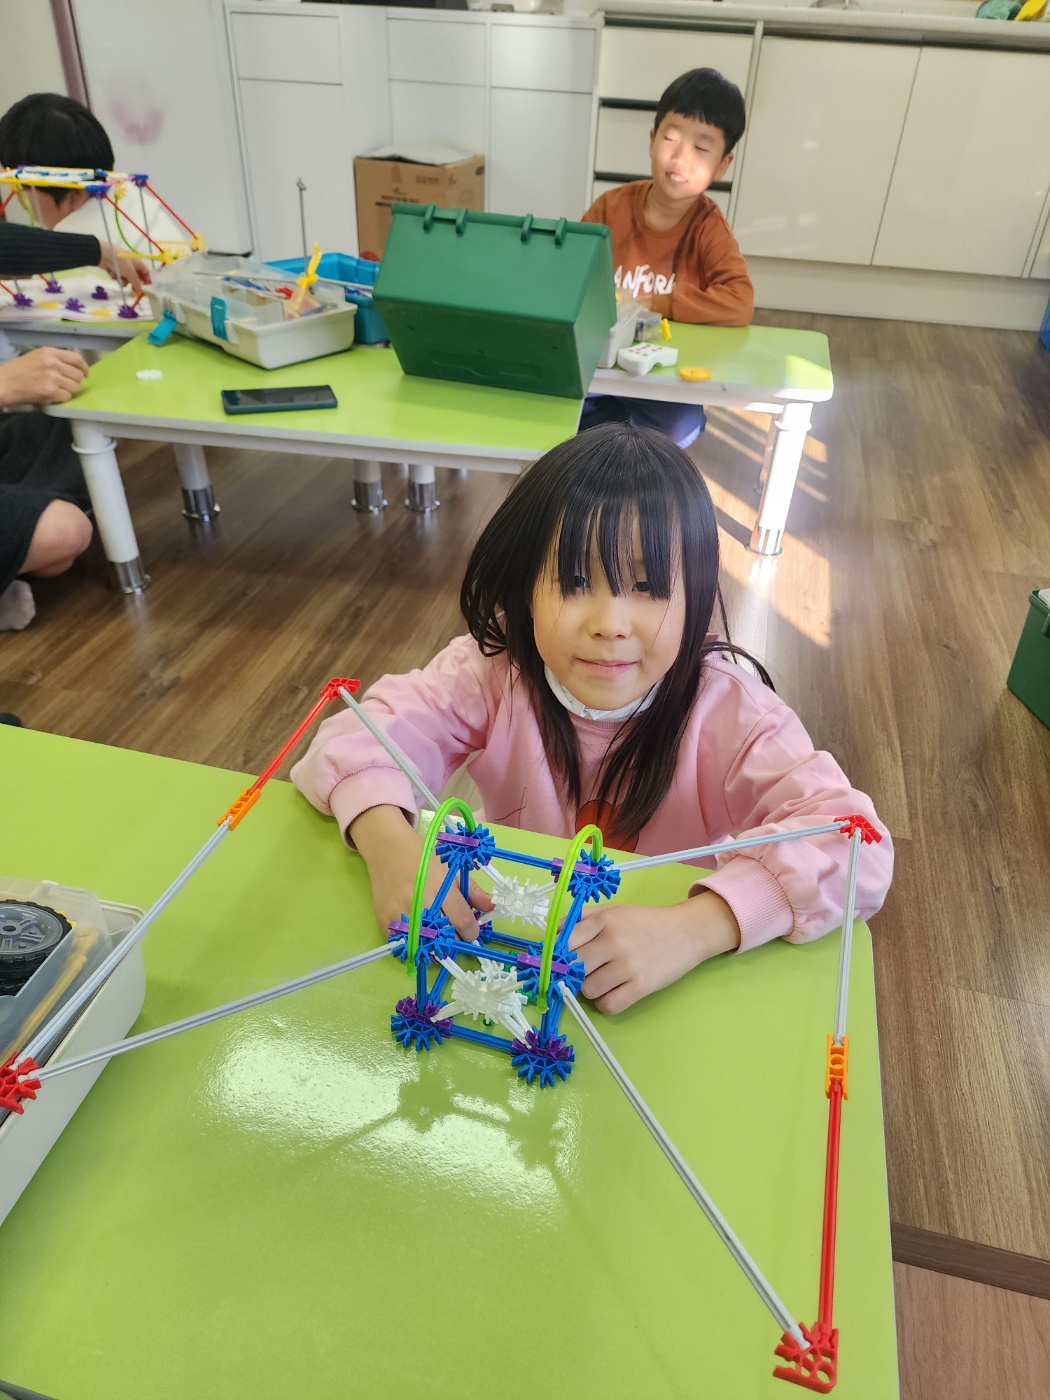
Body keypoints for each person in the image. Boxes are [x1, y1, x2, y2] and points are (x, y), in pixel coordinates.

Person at [292, 424, 893, 1014]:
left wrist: (698, 927)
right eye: (575, 580)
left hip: (657, 978)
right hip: (512, 950)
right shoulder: (495, 667)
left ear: (697, 599)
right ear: (526, 589)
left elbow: (856, 843)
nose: (609, 624)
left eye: (649, 586)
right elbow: (357, 733)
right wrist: (392, 847)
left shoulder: (732, 712)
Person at [580, 68, 754, 449]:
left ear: (723, 165)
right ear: (652, 140)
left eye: (701, 149)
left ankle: (619, 447)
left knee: (682, 426)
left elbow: (739, 302)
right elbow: (572, 273)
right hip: (600, 372)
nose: (679, 157)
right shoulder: (610, 208)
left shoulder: (709, 228)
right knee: (563, 415)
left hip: (664, 381)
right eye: (671, 139)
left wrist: (656, 303)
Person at [0, 93, 151, 292]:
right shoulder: (135, 200)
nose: (17, 197)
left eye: (20, 187)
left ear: (75, 194)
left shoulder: (70, 266)